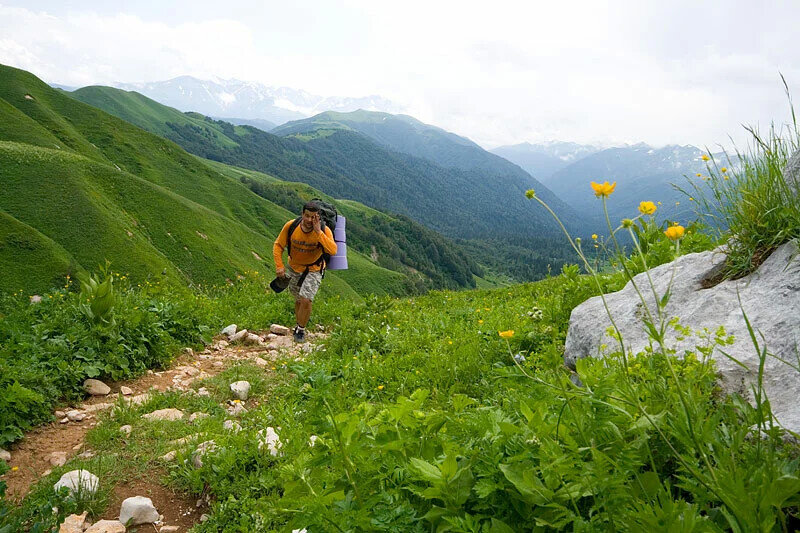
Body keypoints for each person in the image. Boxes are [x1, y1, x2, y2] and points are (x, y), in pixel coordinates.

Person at [273, 201, 338, 342]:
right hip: (294, 267)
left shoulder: (324, 231)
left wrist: (318, 232)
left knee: (306, 299)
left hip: (314, 268)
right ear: (302, 214)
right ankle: (298, 325)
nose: (309, 220)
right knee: (298, 300)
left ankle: (301, 330)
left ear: (318, 217)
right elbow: (278, 245)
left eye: (313, 217)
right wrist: (279, 265)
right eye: (307, 216)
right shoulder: (291, 226)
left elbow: (332, 250)